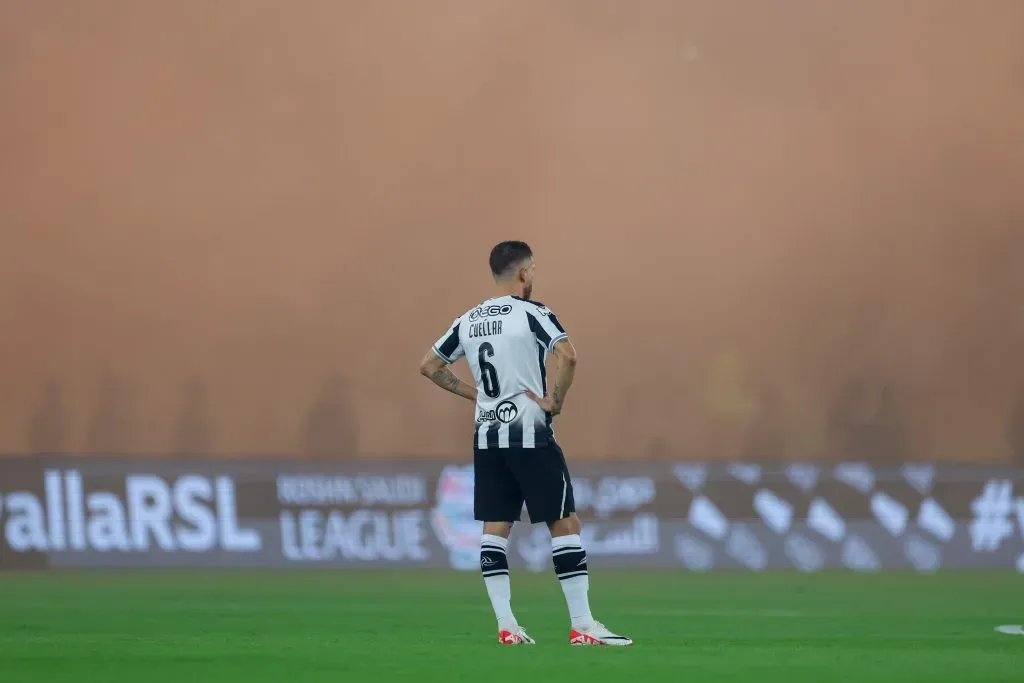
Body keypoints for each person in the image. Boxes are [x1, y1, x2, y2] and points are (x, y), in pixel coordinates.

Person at [419, 240, 632, 647]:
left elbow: (429, 365)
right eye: (532, 270)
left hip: (487, 437)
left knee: (495, 528)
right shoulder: (533, 313)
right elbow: (568, 357)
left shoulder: (468, 319)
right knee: (564, 521)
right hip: (529, 433)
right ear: (523, 273)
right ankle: (583, 625)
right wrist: (556, 400)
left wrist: (477, 396)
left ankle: (507, 626)